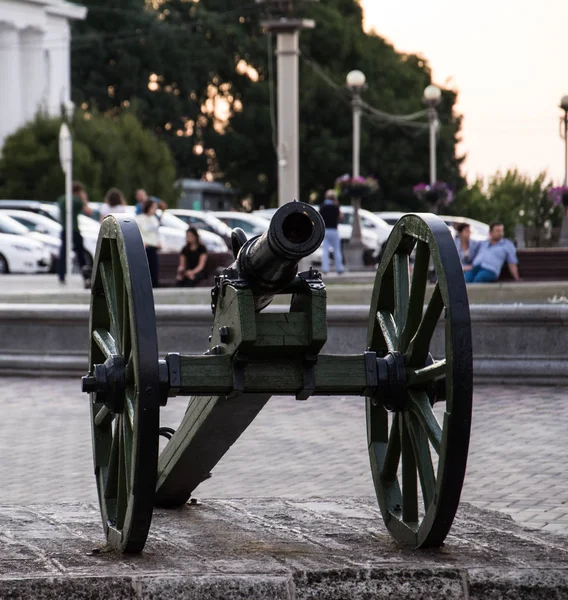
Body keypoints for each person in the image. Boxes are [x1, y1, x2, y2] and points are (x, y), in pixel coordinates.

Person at [57, 180, 93, 288]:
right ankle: (86, 275)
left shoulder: (62, 199)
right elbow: (88, 212)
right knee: (80, 253)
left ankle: (61, 275)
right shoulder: (77, 200)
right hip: (74, 229)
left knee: (63, 252)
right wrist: (84, 199)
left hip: (64, 229)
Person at [135, 198, 161, 288]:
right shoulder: (139, 219)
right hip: (145, 248)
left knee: (154, 270)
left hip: (153, 248)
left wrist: (159, 242)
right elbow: (139, 232)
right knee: (145, 270)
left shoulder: (154, 219)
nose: (155, 210)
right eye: (153, 207)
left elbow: (156, 233)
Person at [320, 190, 344, 275]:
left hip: (326, 230)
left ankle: (325, 268)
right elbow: (340, 217)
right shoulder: (335, 206)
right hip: (334, 229)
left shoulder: (323, 206)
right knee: (337, 250)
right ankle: (339, 268)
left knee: (325, 250)